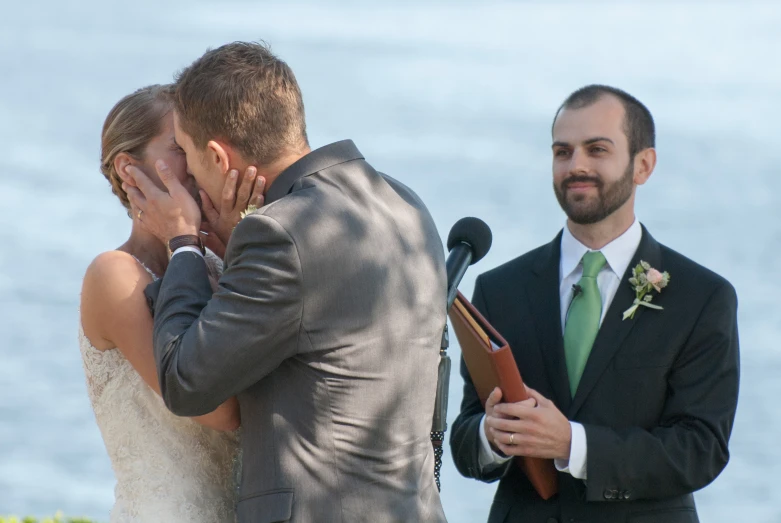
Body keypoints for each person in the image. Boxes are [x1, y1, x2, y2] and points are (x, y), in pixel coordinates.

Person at [119, 42, 448, 523]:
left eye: (187, 156)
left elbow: (186, 381)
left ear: (216, 155)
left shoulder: (278, 234)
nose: (189, 175)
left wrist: (184, 242)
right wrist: (235, 249)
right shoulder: (404, 203)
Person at [450, 85, 740, 523]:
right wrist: (491, 437)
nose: (576, 165)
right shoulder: (498, 289)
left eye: (597, 149)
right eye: (562, 151)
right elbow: (464, 439)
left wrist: (572, 443)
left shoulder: (702, 298)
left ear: (643, 165)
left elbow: (700, 451)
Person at [79, 84, 263, 522]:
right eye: (181, 145)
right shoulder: (113, 275)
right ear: (129, 168)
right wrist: (187, 239)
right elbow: (216, 409)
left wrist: (244, 239)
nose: (200, 156)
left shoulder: (216, 259)